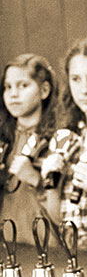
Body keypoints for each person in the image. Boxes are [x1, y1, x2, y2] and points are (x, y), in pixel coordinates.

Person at [40, 39, 87, 252]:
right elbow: (60, 218)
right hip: (75, 249)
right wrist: (51, 187)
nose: (84, 89)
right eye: (76, 79)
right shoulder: (67, 136)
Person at [0, 54, 59, 244]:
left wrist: (35, 179)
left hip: (46, 243)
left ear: (44, 90)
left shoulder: (58, 138)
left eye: (23, 86)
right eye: (8, 87)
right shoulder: (4, 139)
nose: (13, 94)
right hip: (7, 241)